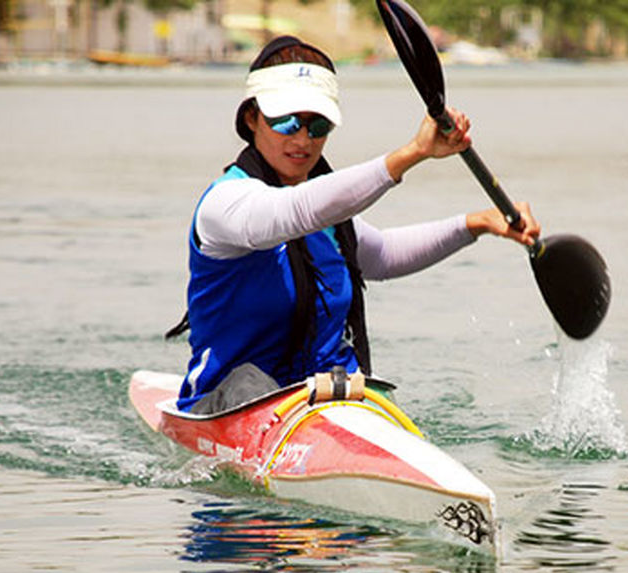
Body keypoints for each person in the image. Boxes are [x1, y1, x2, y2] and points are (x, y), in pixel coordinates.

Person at [172, 35, 540, 414]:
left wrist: (478, 223)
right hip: (231, 406)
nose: (302, 139)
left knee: (361, 385)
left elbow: (383, 255)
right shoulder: (226, 205)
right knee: (250, 383)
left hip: (325, 399)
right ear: (251, 119)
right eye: (285, 122)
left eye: (317, 126)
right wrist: (413, 153)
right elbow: (296, 211)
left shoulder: (331, 219)